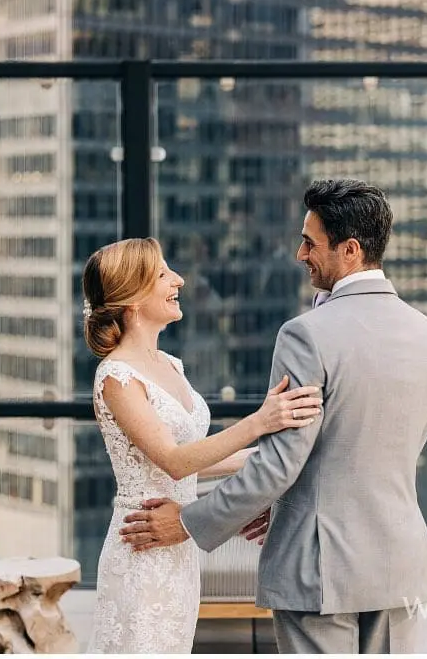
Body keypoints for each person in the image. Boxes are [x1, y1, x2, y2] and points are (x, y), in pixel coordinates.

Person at [117, 179, 427, 654]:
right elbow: (374, 447)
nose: (299, 254)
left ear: (349, 249)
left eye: (310, 242)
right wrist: (286, 505)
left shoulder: (305, 335)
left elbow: (280, 463)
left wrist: (186, 522)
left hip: (321, 569)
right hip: (402, 563)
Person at [83, 237, 323, 654]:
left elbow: (196, 458)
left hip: (180, 551)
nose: (178, 279)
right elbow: (175, 462)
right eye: (162, 274)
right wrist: (260, 421)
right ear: (132, 299)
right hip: (142, 550)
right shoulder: (116, 377)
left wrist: (276, 453)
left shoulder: (169, 365)